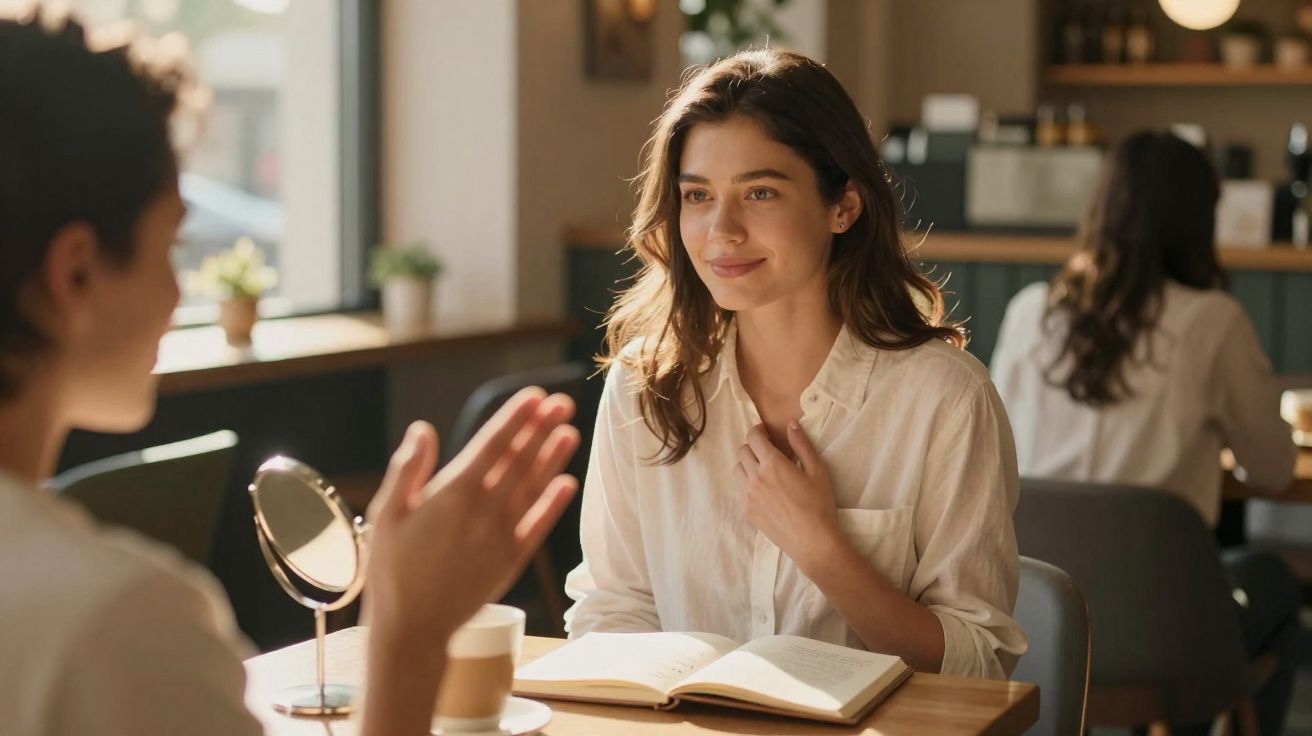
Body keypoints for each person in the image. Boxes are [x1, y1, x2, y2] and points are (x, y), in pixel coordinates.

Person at [0, 9, 580, 736]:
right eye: (171, 247)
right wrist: (408, 633)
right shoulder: (115, 627)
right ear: (76, 275)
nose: (179, 294)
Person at [562, 48, 1026, 679]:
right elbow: (612, 610)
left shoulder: (944, 399)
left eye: (760, 193)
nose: (721, 230)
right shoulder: (643, 389)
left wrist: (821, 547)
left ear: (844, 206)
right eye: (697, 195)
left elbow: (977, 667)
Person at [990, 130, 1300, 736]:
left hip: (1035, 628)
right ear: (1198, 221)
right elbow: (1273, 469)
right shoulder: (1212, 323)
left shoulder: (1031, 313)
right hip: (1166, 640)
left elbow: (994, 457)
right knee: (1272, 584)